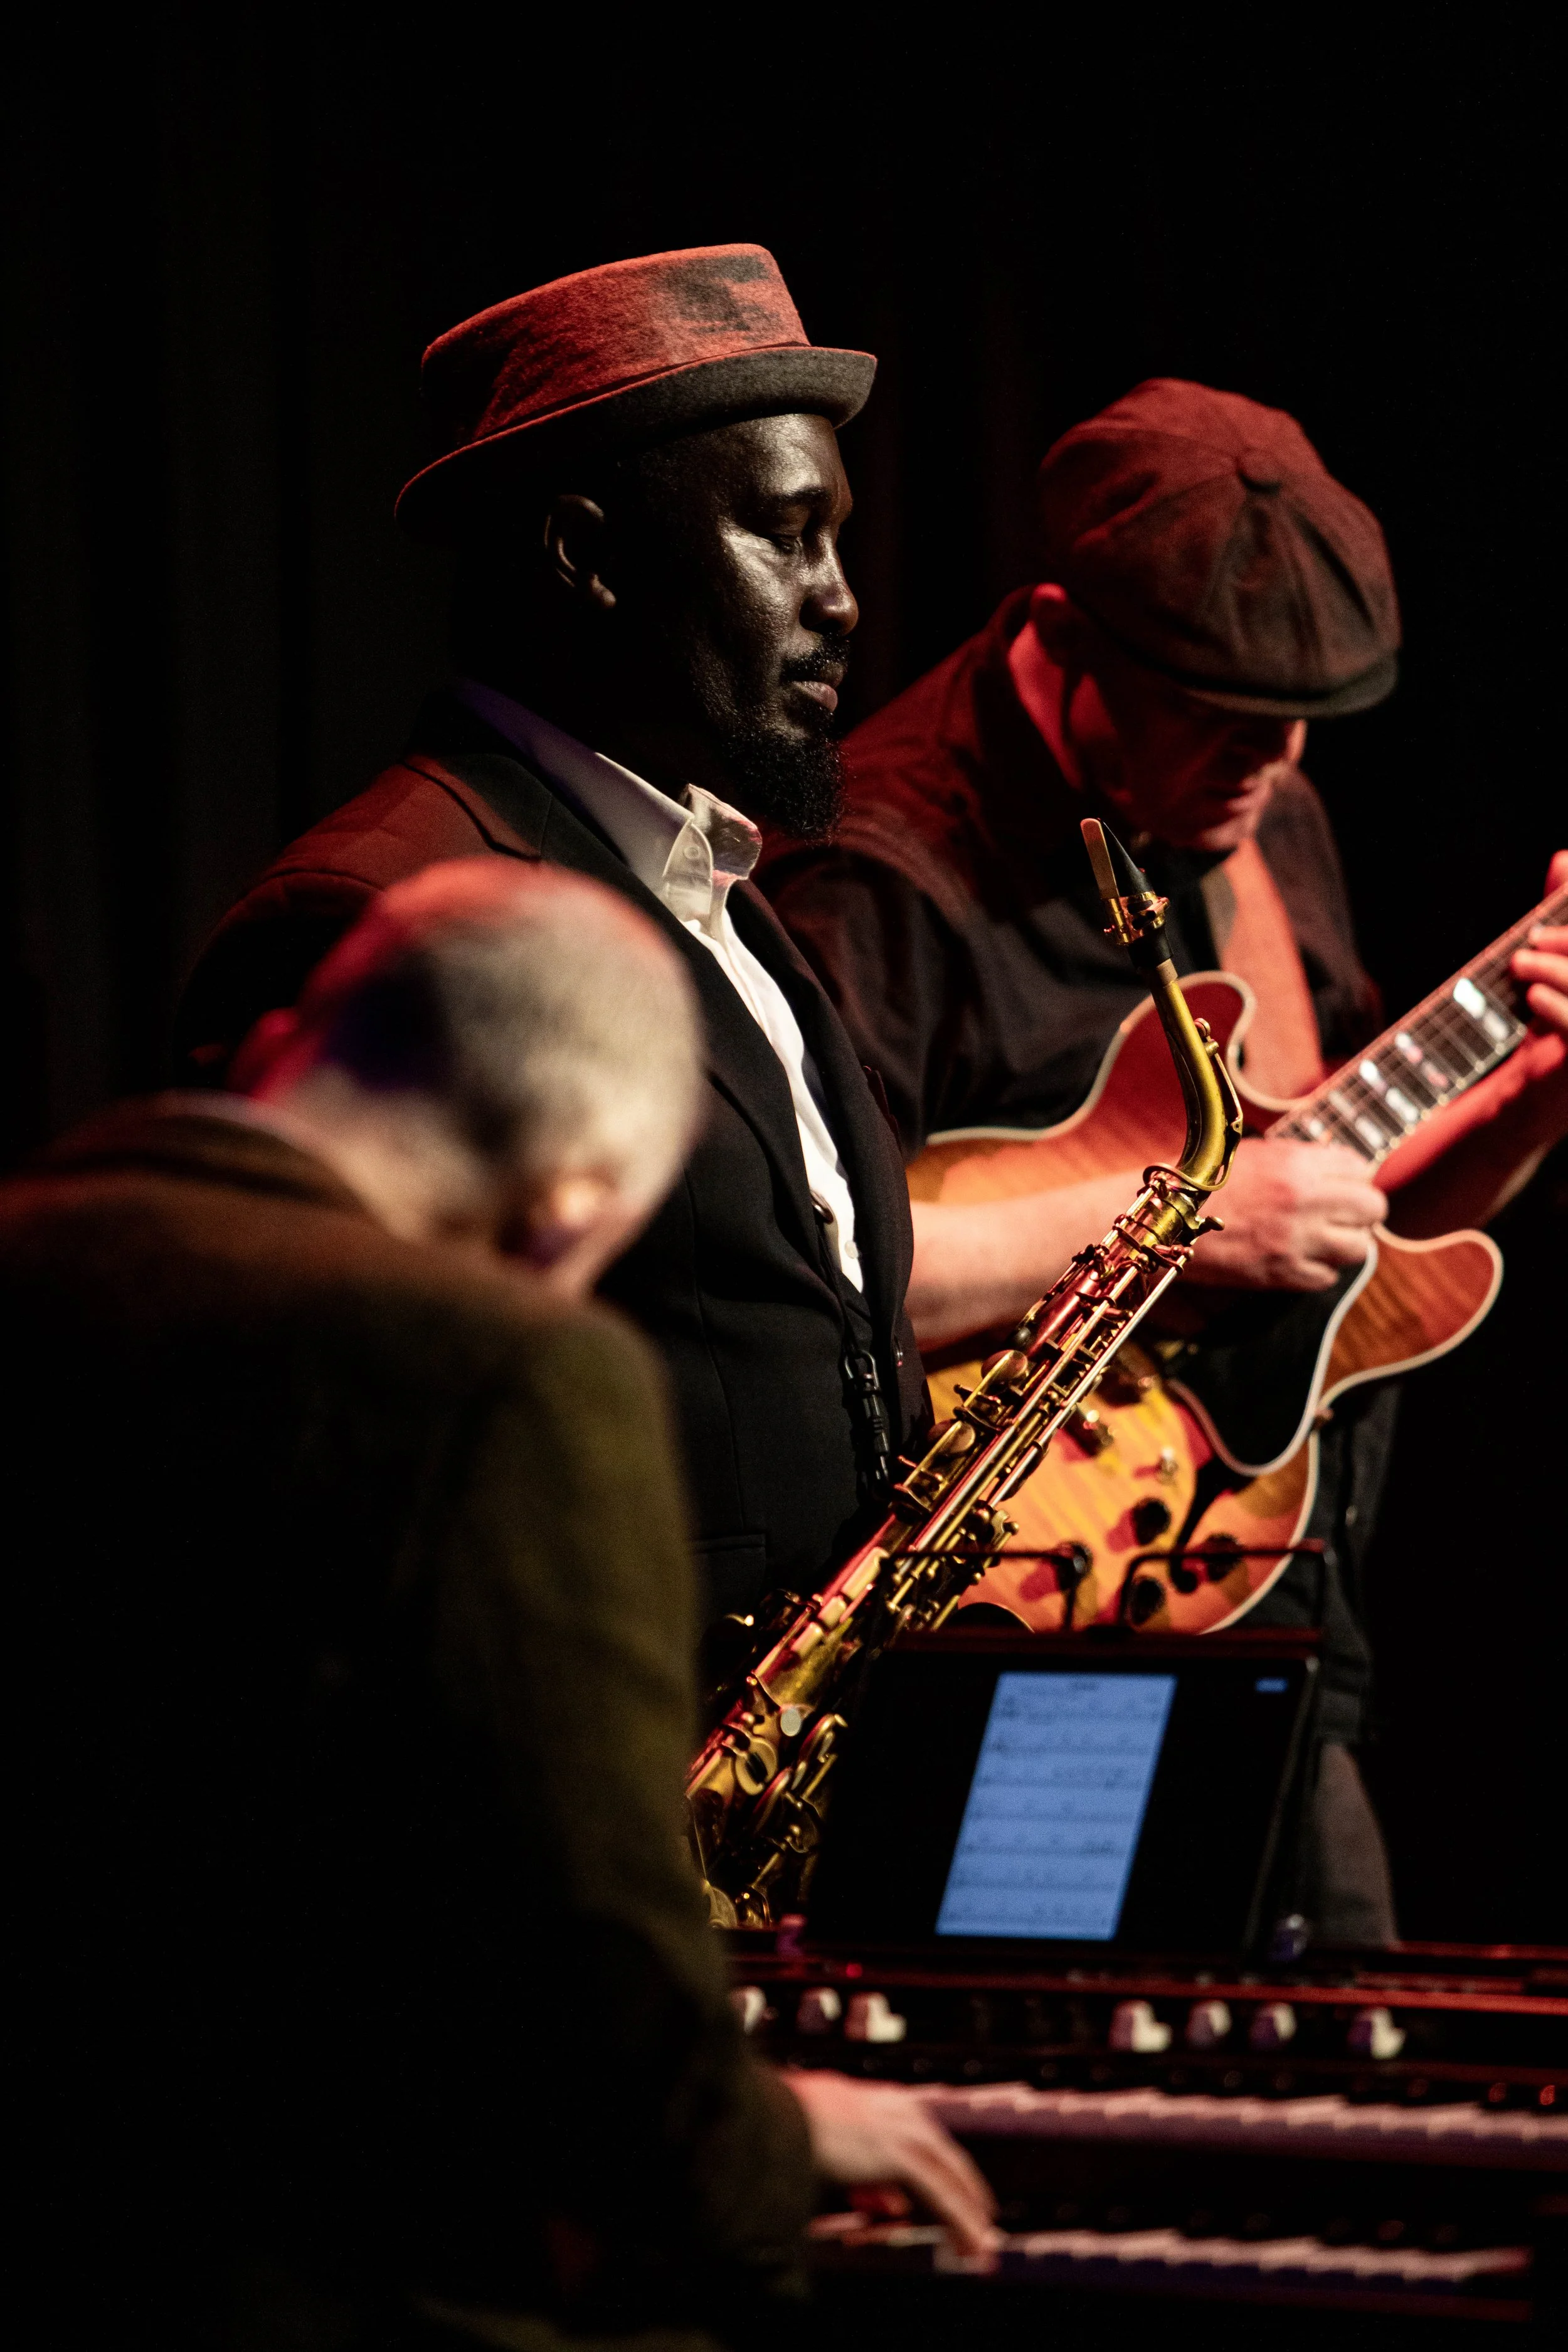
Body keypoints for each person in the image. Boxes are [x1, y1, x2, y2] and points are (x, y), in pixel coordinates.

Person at [4, 861, 993, 2352]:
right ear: (569, 1206)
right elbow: (590, 1980)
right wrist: (772, 2150)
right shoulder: (502, 1374)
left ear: (289, 1046)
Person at [762, 379, 1568, 1942]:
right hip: (994, 1658)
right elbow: (802, 1289)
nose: (1267, 763)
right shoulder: (880, 875)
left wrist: (1531, 1098)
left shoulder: (1260, 811)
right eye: (1215, 714)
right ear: (1063, 637)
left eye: (1296, 724)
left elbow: (1338, 1231)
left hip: (1267, 1608)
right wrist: (1175, 1229)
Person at [175, 244, 926, 1640]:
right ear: (584, 556)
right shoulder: (370, 913)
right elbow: (294, 1484)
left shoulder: (727, 895)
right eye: (785, 533)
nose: (840, 598)